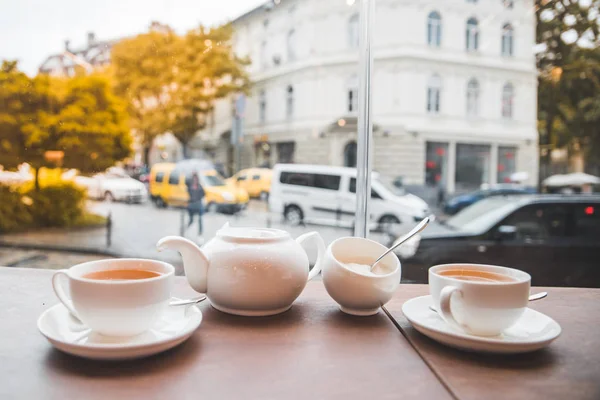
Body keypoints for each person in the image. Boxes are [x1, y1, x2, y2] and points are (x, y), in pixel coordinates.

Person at [187, 173, 205, 244]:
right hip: (191, 206)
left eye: (196, 178)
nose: (195, 180)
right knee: (191, 220)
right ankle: (187, 231)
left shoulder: (200, 187)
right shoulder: (190, 187)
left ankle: (200, 234)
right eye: (194, 178)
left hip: (198, 205)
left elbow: (203, 194)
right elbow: (189, 194)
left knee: (200, 220)